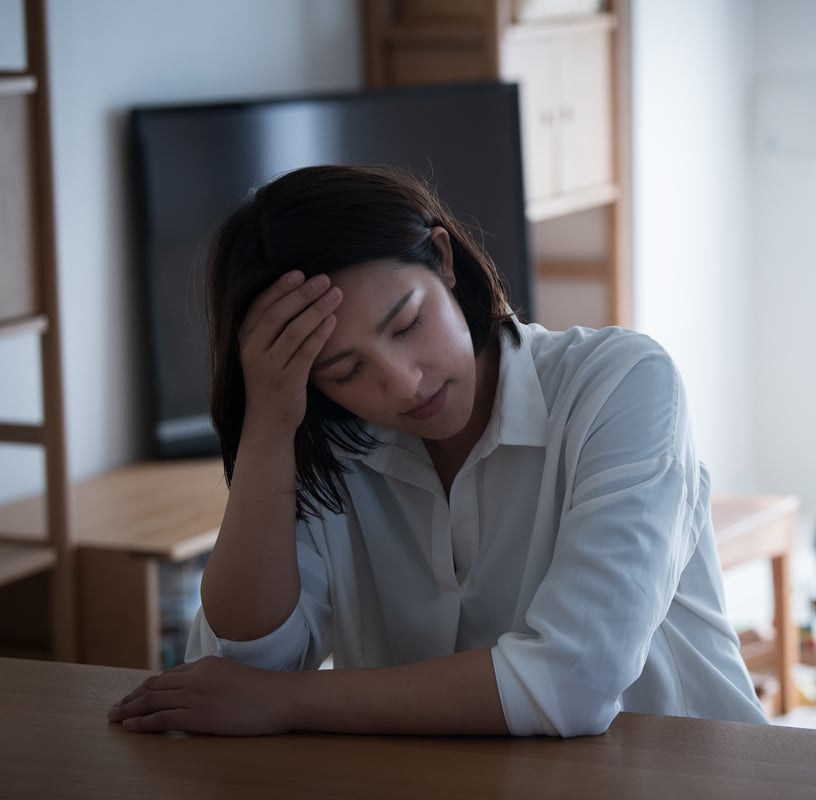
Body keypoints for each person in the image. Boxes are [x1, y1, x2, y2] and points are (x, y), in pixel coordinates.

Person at [108, 164, 766, 737]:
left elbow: (573, 683)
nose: (402, 382)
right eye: (343, 370)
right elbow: (234, 676)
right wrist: (269, 429)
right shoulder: (331, 439)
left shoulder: (620, 384)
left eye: (407, 323)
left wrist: (285, 703)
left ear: (445, 261)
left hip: (690, 777)